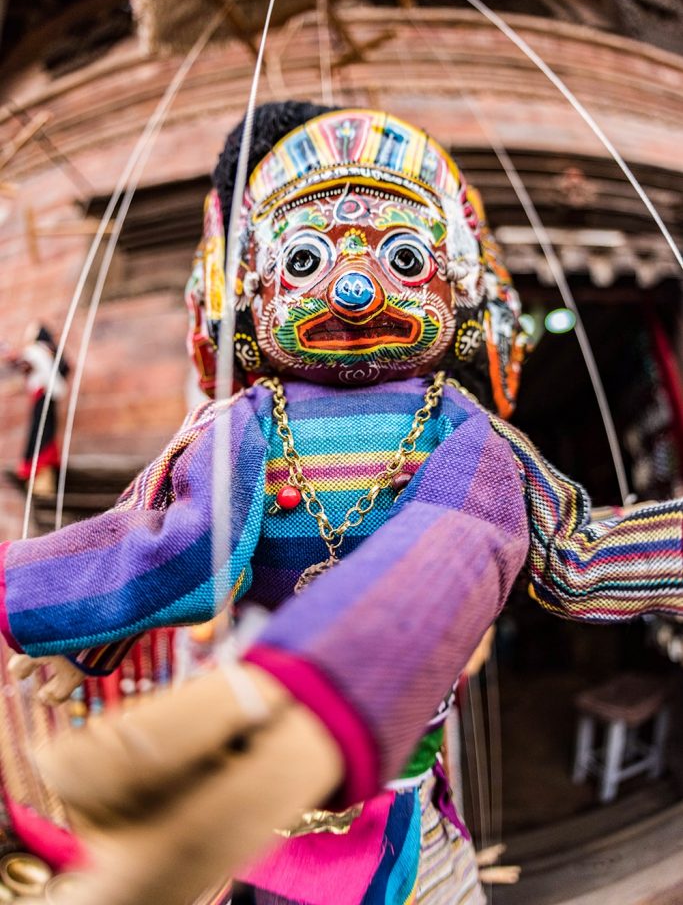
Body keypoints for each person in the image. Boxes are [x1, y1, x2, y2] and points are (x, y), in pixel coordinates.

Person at [2, 103, 683, 905]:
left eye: (399, 258)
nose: (354, 291)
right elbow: (175, 549)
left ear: (450, 284)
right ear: (253, 294)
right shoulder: (246, 428)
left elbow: (566, 557)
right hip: (259, 802)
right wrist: (59, 612)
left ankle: (309, 709)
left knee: (469, 522)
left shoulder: (465, 440)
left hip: (390, 791)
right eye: (304, 262)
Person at [2, 323, 68, 496]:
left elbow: (27, 364)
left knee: (40, 433)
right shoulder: (47, 351)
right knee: (44, 432)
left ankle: (41, 478)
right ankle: (41, 479)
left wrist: (11, 357)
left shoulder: (36, 350)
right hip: (45, 396)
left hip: (42, 396)